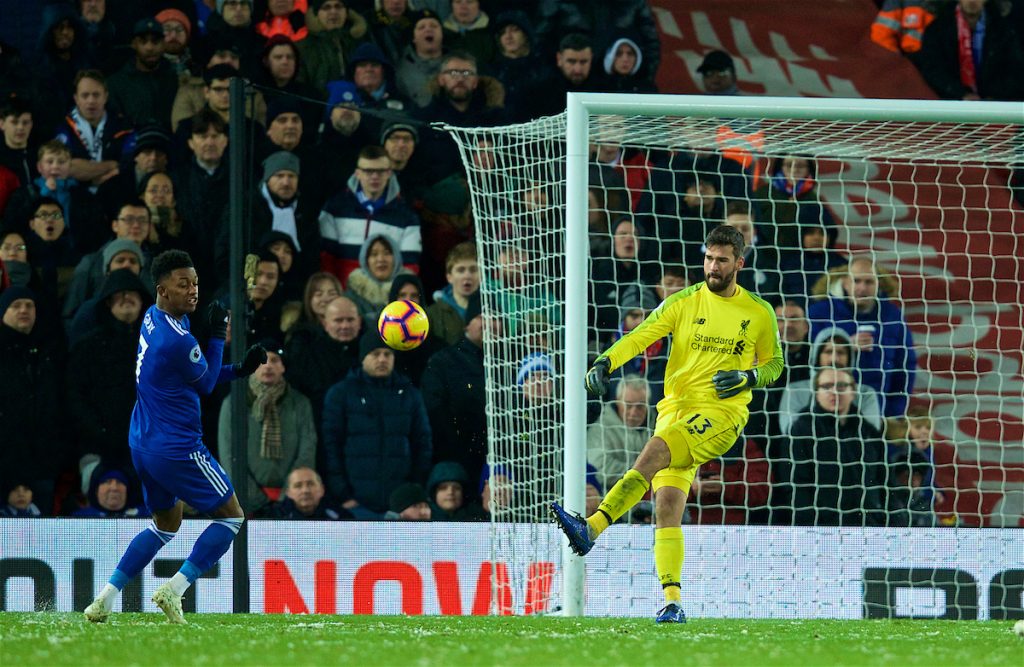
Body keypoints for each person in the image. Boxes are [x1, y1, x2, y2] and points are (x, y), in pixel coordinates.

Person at [550, 225, 784, 623]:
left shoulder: (758, 312)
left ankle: (592, 526)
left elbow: (774, 364)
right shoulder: (683, 301)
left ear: (739, 264)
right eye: (708, 258)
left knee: (655, 451)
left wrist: (749, 378)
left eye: (722, 260)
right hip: (675, 410)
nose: (712, 266)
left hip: (722, 416)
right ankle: (673, 601)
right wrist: (605, 361)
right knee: (667, 506)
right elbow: (641, 336)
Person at [83, 249, 266, 625]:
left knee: (166, 523)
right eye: (183, 284)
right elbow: (206, 384)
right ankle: (175, 588)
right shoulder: (179, 341)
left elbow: (194, 375)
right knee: (232, 518)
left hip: (143, 442)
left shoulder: (153, 319)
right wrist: (218, 336)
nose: (193, 291)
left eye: (195, 283)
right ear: (162, 289)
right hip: (178, 448)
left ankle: (103, 599)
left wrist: (239, 368)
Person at [322, 333, 432, 518]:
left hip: (401, 506)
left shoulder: (409, 394)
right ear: (363, 357)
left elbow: (423, 444)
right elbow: (330, 445)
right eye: (375, 354)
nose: (382, 359)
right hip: (356, 504)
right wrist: (343, 493)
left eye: (387, 354)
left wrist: (413, 491)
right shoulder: (341, 394)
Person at [807, 255, 917, 417]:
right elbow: (807, 360)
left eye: (869, 282)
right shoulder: (819, 313)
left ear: (878, 284)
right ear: (845, 282)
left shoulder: (893, 316)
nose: (862, 288)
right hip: (828, 410)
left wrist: (894, 412)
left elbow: (906, 366)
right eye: (856, 281)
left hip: (877, 411)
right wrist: (845, 347)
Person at [218, 342, 317, 515]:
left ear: (283, 367)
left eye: (274, 360)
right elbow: (228, 454)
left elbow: (307, 450)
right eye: (261, 361)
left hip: (291, 500)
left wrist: (288, 494)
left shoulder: (300, 403)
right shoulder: (234, 403)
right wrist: (253, 497)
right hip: (246, 500)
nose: (268, 366)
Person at [787, 367, 889, 527]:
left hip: (869, 526)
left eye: (841, 386)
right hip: (822, 528)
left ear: (853, 392)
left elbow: (885, 481)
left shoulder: (868, 431)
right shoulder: (802, 429)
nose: (834, 392)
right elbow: (796, 485)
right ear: (816, 393)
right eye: (827, 386)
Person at [318, 145, 421, 285]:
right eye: (368, 171)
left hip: (384, 300)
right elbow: (326, 259)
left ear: (389, 173)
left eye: (380, 171)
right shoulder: (335, 208)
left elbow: (409, 267)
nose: (374, 176)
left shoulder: (407, 218)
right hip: (342, 296)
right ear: (357, 173)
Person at [421, 290, 488, 484]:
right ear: (467, 323)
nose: (490, 323)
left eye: (496, 317)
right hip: (457, 459)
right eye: (481, 316)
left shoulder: (509, 363)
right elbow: (435, 410)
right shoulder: (444, 361)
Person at [915, 0, 1024, 101]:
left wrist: (993, 97)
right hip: (949, 104)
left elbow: (1015, 69)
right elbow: (932, 69)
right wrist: (961, 94)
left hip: (996, 105)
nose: (972, 1)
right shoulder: (937, 29)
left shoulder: (1004, 29)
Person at [586, 374, 651, 495]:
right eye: (628, 405)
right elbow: (600, 469)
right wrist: (644, 471)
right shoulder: (600, 429)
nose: (634, 412)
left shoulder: (658, 425)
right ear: (617, 401)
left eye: (640, 406)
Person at [426, 240, 479, 345]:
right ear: (449, 277)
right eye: (461, 270)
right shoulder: (432, 314)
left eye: (473, 270)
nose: (467, 275)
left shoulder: (493, 309)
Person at [268, 466, 352, 519]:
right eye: (298, 485)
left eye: (311, 484)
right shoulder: (275, 517)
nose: (305, 490)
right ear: (288, 493)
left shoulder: (341, 516)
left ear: (322, 490)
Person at [72, 466, 149, 518]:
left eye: (120, 482)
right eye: (107, 482)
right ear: (96, 490)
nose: (114, 488)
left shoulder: (146, 516)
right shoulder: (80, 517)